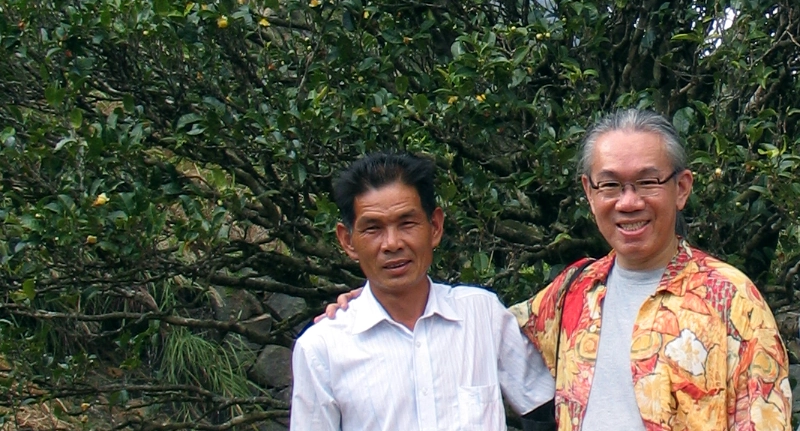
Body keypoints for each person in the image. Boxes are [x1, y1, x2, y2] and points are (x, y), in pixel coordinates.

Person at [510, 109, 791, 431]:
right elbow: (487, 336)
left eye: (646, 182)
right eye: (611, 185)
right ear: (589, 192)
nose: (628, 202)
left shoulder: (731, 299)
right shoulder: (571, 291)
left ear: (682, 188)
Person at [290, 150, 555, 430]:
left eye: (407, 223)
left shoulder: (482, 315)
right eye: (373, 228)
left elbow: (548, 410)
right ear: (348, 240)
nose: (391, 243)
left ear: (435, 226)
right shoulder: (322, 348)